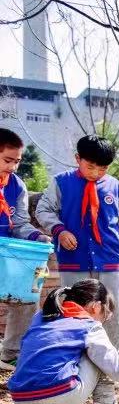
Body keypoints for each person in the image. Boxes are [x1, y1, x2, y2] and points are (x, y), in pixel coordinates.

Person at [34, 134, 119, 404]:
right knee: (72, 320)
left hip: (110, 260)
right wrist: (59, 229)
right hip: (74, 260)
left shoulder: (114, 186)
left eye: (103, 168)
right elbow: (43, 210)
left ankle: (109, 382)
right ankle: (69, 381)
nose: (97, 173)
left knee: (111, 320)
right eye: (92, 166)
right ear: (77, 158)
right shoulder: (61, 182)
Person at [8, 281, 119, 404]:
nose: (103, 321)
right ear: (96, 306)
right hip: (57, 400)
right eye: (106, 315)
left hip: (23, 402)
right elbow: (115, 369)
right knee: (100, 356)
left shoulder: (41, 317)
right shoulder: (89, 326)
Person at [0, 128, 52, 370]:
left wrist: (36, 236)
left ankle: (10, 353)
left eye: (17, 161)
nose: (13, 167)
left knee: (26, 297)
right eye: (7, 161)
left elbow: (19, 223)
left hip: (8, 253)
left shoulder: (17, 186)